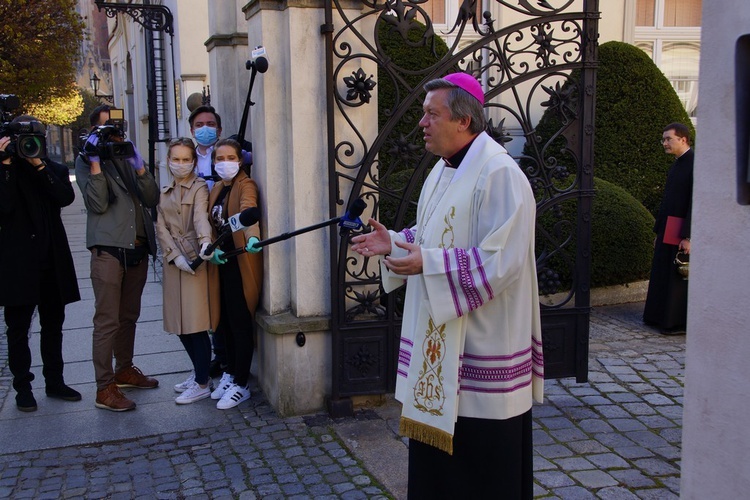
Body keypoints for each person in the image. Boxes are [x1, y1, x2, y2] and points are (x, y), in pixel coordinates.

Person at [351, 73, 544, 498]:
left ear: (463, 120)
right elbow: (435, 233)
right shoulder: (442, 169)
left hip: (482, 346)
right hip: (441, 348)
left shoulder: (500, 174)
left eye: (431, 114)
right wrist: (397, 242)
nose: (421, 123)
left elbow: (501, 260)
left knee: (481, 471)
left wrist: (429, 262)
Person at [75, 106, 160, 412]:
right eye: (104, 132)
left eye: (115, 131)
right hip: (109, 250)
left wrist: (139, 166)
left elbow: (151, 198)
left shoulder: (127, 156)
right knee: (107, 321)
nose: (112, 137)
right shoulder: (86, 162)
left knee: (129, 317)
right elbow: (97, 204)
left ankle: (124, 369)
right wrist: (96, 163)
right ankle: (104, 387)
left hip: (136, 248)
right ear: (92, 135)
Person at [0, 116, 82, 412]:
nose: (29, 145)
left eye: (34, 140)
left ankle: (55, 381)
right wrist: (6, 166)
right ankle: (23, 386)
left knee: (53, 325)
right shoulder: (4, 172)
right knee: (17, 329)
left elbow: (64, 197)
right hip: (19, 262)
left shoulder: (54, 169)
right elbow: (4, 207)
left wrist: (39, 166)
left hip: (51, 260)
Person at [155, 138, 220, 404]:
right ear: (168, 160)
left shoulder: (200, 187)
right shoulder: (166, 190)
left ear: (194, 162)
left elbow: (200, 217)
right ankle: (199, 374)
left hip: (195, 260)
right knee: (179, 324)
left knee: (195, 325)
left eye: (186, 160)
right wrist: (173, 256)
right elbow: (161, 226)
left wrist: (205, 242)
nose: (181, 165)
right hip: (175, 264)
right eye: (176, 159)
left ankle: (203, 382)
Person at [206, 138, 263, 410]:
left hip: (239, 261)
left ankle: (242, 383)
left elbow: (248, 212)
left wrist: (252, 238)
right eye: (220, 158)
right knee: (224, 322)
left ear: (240, 161)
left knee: (239, 322)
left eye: (230, 157)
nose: (225, 163)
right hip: (221, 262)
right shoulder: (217, 187)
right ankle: (229, 372)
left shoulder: (244, 184)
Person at [643, 123, 694, 335]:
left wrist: (689, 236)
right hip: (668, 228)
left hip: (682, 229)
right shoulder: (676, 165)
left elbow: (694, 202)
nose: (664, 143)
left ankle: (674, 323)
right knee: (662, 273)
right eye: (663, 139)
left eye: (668, 139)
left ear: (683, 139)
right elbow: (667, 201)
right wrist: (659, 231)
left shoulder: (695, 164)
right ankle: (657, 318)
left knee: (676, 278)